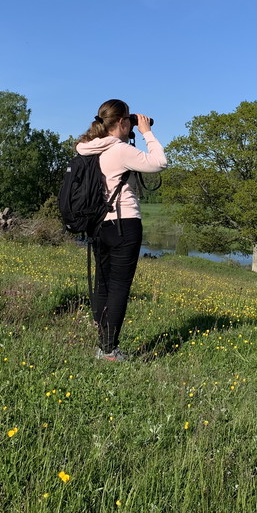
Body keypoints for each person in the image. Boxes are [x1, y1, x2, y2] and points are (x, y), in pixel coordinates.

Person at [75, 99, 167, 361]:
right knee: (118, 287)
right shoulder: (119, 150)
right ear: (121, 122)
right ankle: (108, 351)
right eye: (129, 119)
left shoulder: (88, 148)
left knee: (103, 284)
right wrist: (147, 132)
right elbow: (159, 162)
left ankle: (103, 341)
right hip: (124, 223)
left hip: (98, 223)